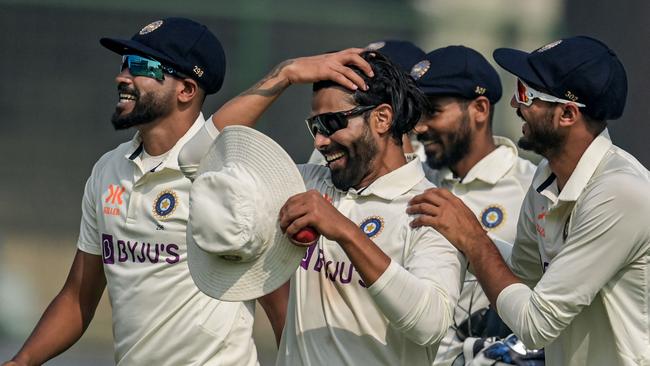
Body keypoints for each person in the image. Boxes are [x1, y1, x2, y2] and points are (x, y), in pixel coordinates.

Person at [3, 17, 287, 366]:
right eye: (124, 63)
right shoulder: (108, 170)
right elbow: (79, 296)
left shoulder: (229, 177)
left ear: (186, 90)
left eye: (140, 66)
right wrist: (21, 362)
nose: (122, 76)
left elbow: (279, 302)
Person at [181, 49, 465, 365]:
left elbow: (429, 325)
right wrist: (285, 74)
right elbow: (195, 160)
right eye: (314, 127)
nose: (320, 141)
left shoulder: (432, 208)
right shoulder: (306, 183)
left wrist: (346, 232)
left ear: (381, 118)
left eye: (331, 123)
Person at [407, 36, 650, 365]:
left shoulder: (620, 192)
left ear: (566, 114)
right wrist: (459, 232)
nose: (513, 104)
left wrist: (473, 238)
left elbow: (536, 326)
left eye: (525, 93)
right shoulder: (546, 174)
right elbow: (524, 276)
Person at [410, 45, 536, 365]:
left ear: (480, 109)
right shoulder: (412, 179)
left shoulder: (531, 192)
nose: (419, 127)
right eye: (416, 113)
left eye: (433, 111)